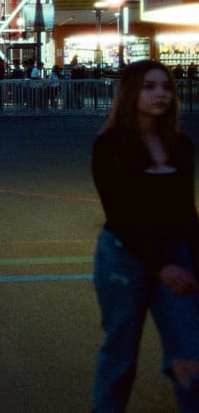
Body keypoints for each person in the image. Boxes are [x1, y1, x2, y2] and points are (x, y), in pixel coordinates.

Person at [91, 60, 199, 411]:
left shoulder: (181, 145)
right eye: (149, 86)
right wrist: (161, 267)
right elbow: (121, 217)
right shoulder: (109, 145)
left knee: (190, 351)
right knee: (121, 350)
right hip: (124, 256)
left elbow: (187, 212)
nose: (160, 94)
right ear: (131, 93)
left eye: (166, 87)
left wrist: (193, 262)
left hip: (175, 251)